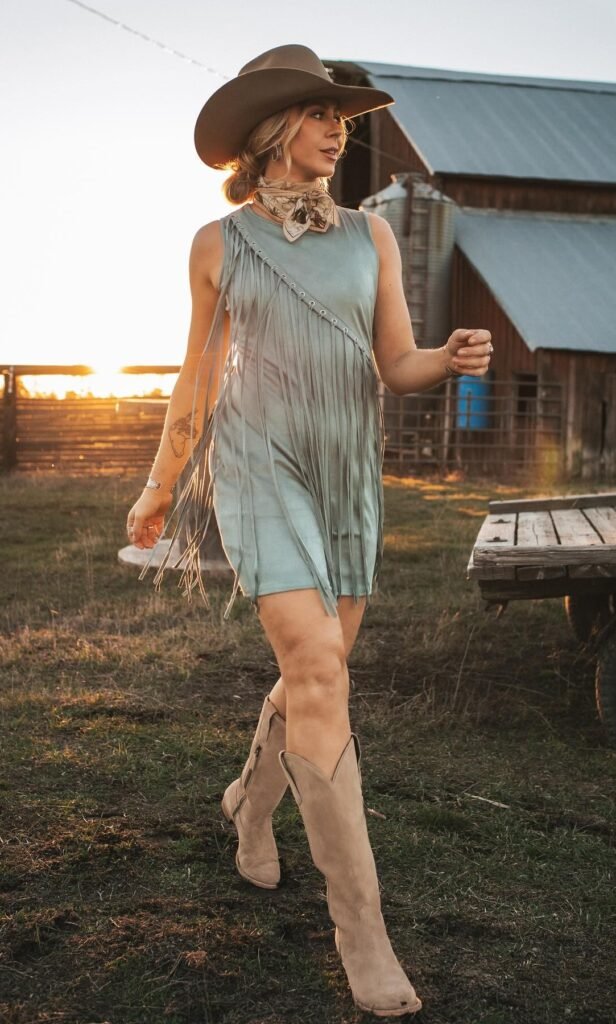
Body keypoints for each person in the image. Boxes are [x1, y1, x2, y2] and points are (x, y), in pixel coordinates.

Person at [125, 44, 492, 1018]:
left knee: (313, 674)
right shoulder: (217, 244)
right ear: (269, 130)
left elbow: (395, 363)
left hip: (347, 476)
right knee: (321, 671)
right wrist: (160, 486)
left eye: (342, 116)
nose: (339, 129)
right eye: (320, 112)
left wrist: (447, 357)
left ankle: (251, 806)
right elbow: (198, 378)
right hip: (257, 468)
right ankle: (362, 935)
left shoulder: (373, 237)